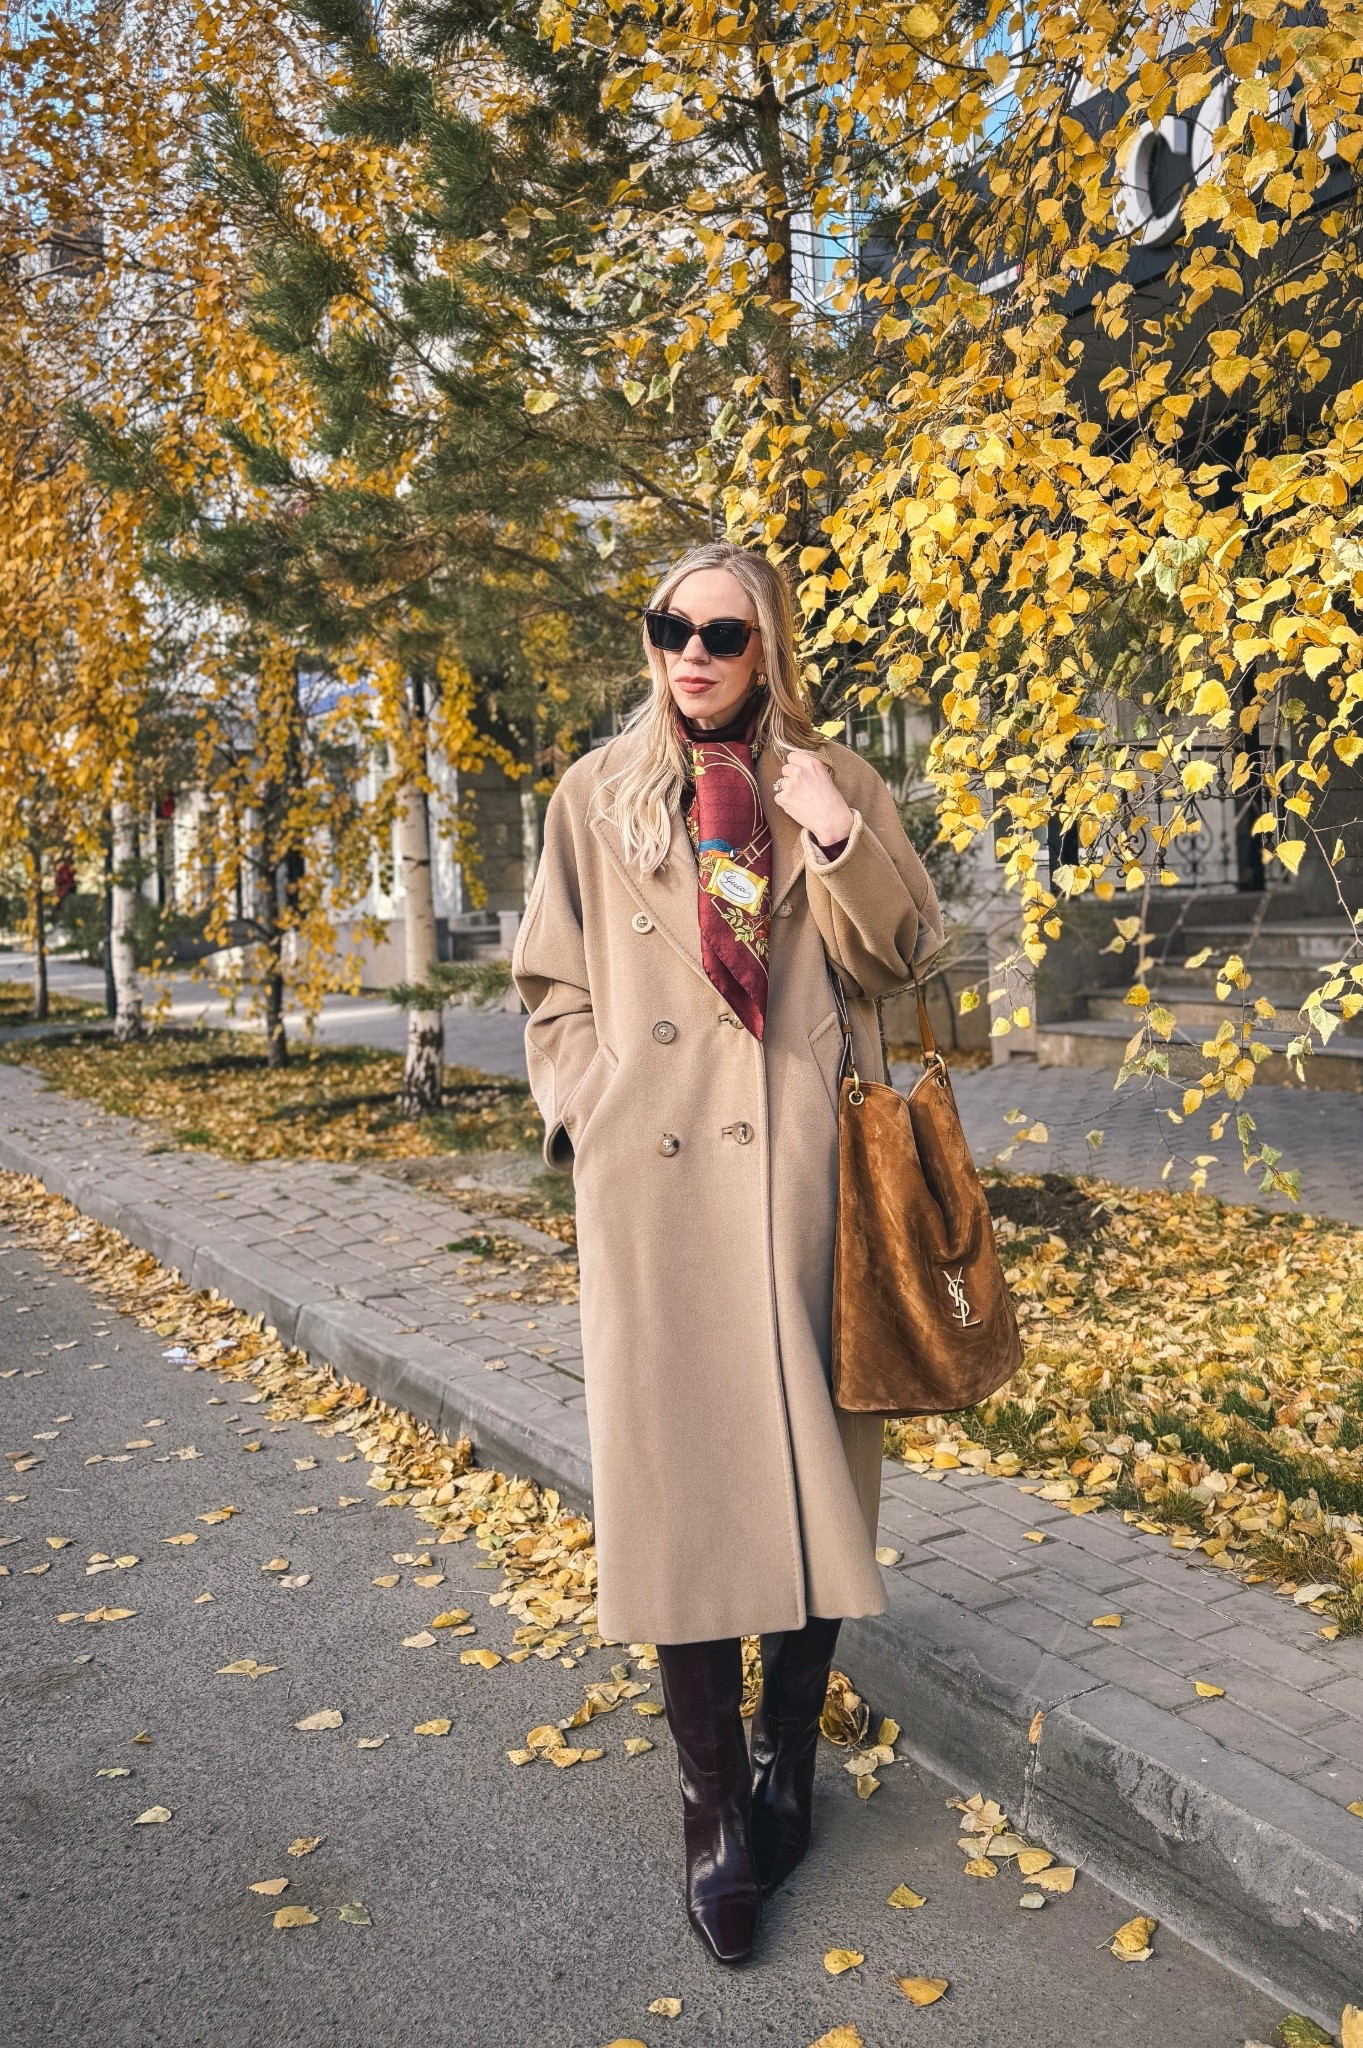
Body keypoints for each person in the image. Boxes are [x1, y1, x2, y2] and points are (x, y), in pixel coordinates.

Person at [511, 539, 944, 1965]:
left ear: (771, 651)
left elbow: (905, 955)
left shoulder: (838, 781)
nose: (689, 652)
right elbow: (550, 985)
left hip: (811, 1189)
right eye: (668, 627)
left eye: (722, 633)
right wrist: (593, 1108)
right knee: (680, 1494)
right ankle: (711, 1815)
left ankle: (787, 1765)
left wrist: (828, 829)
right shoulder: (594, 795)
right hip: (662, 1194)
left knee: (821, 1486)